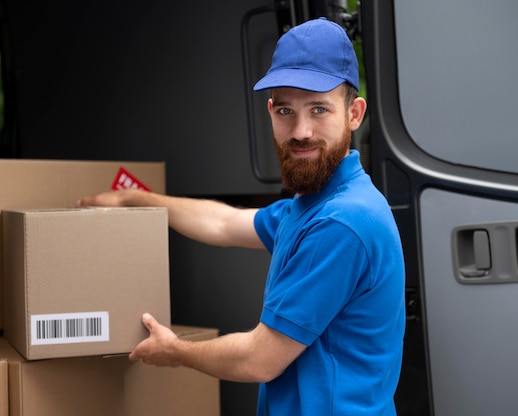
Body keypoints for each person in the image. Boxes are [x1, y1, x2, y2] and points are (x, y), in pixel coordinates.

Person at [77, 17, 405, 416]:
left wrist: (174, 350)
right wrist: (135, 200)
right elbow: (222, 223)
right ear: (270, 112)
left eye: (318, 109)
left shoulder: (341, 223)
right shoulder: (313, 205)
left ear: (354, 113)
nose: (300, 130)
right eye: (286, 110)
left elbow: (258, 359)